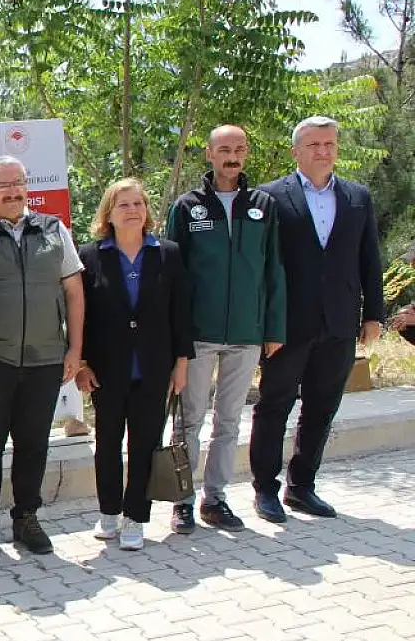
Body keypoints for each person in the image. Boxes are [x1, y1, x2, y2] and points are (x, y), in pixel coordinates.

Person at [248, 116, 384, 522]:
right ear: (296, 151)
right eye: (314, 145)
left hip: (339, 321)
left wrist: (373, 315)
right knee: (274, 405)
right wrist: (262, 324)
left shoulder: (357, 196)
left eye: (329, 144)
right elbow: (259, 265)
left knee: (322, 407)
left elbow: (369, 258)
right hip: (287, 325)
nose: (323, 151)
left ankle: (301, 487)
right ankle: (265, 489)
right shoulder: (270, 197)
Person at [0, 155, 85, 558]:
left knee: (34, 443)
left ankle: (26, 517)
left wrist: (75, 349)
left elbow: (74, 293)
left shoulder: (54, 230)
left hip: (46, 358)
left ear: (28, 186)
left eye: (18, 183)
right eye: (2, 185)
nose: (12, 191)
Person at [165, 125, 286, 534]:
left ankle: (215, 499)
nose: (232, 157)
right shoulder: (187, 207)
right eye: (224, 150)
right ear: (209, 154)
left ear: (246, 153)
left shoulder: (263, 205)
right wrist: (176, 334)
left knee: (230, 421)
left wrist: (273, 327)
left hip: (247, 333)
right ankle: (182, 501)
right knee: (189, 420)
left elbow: (274, 269)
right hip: (199, 333)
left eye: (239, 149)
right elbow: (173, 273)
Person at [77, 179, 193, 551]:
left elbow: (181, 312)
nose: (132, 211)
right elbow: (79, 317)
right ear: (108, 214)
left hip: (154, 368)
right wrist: (81, 364)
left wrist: (181, 363)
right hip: (106, 371)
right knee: (107, 444)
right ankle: (109, 512)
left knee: (144, 445)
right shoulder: (90, 256)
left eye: (138, 203)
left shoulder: (168, 253)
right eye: (123, 205)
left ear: (147, 210)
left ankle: (136, 517)